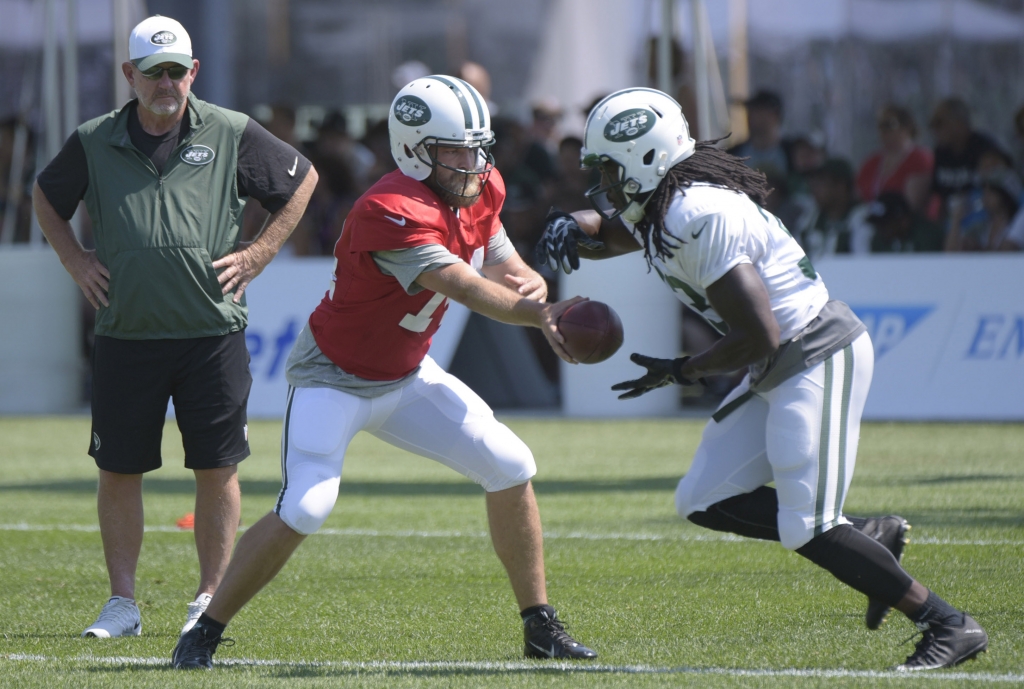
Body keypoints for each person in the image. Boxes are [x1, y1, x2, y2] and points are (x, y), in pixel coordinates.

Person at [535, 87, 988, 672]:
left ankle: (948, 622)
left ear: (647, 160)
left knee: (809, 527)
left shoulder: (696, 214)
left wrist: (684, 369)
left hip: (815, 352)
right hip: (779, 362)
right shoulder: (666, 202)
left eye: (609, 168)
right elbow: (620, 231)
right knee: (702, 498)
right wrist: (572, 224)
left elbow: (760, 335)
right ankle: (869, 537)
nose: (603, 181)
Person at [171, 75, 597, 669]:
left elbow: (493, 251)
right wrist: (540, 313)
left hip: (405, 375)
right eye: (454, 150)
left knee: (511, 466)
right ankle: (204, 632)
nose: (472, 162)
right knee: (306, 507)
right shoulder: (389, 208)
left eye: (477, 147)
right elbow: (464, 286)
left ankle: (539, 625)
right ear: (413, 149)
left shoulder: (477, 184)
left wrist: (528, 277)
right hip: (334, 379)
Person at [32, 15, 317, 639]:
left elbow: (301, 181)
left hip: (210, 333)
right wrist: (76, 261)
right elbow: (46, 197)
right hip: (126, 332)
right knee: (119, 470)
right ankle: (122, 604)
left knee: (217, 469)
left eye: (177, 70)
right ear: (129, 75)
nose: (167, 82)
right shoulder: (93, 139)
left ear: (194, 72)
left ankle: (207, 598)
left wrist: (259, 253)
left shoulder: (231, 130)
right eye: (153, 71)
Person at [928, 97, 1001, 223]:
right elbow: (940, 199)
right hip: (953, 223)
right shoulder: (941, 153)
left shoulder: (985, 149)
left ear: (960, 122)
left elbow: (998, 199)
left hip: (983, 222)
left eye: (939, 123)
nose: (934, 129)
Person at [856, 105, 933, 213]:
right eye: (880, 126)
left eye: (889, 125)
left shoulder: (920, 158)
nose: (883, 131)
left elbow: (913, 205)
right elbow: (858, 198)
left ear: (907, 126)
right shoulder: (871, 163)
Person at [798, 158, 873, 260]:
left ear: (841, 187)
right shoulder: (810, 218)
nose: (815, 189)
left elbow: (863, 262)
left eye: (821, 183)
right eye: (814, 183)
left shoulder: (861, 217)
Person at [946, 168, 1024, 251]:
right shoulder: (979, 227)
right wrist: (956, 219)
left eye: (992, 190)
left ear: (1006, 195)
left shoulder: (1017, 225)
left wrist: (979, 250)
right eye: (984, 190)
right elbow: (951, 253)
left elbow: (1007, 252)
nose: (985, 195)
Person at [728, 90, 790, 177]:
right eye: (750, 111)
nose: (750, 116)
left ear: (775, 116)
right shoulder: (732, 155)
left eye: (758, 110)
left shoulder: (794, 155)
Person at [866, 192, 945, 253]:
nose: (881, 229)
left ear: (903, 220)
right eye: (878, 224)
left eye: (885, 224)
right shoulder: (879, 238)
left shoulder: (927, 235)